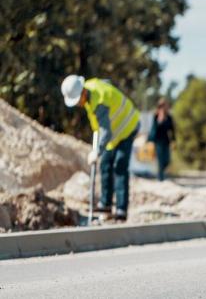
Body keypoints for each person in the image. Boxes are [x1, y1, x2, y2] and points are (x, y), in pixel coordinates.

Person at [61, 75, 140, 221]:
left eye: (77, 100)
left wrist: (97, 150)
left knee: (119, 165)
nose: (78, 104)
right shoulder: (90, 90)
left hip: (127, 127)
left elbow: (106, 131)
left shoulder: (99, 102)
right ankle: (106, 205)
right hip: (114, 135)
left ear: (83, 93)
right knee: (105, 164)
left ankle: (121, 210)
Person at [148, 97, 175, 181]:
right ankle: (160, 178)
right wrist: (160, 121)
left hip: (166, 141)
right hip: (158, 141)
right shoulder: (156, 116)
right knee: (160, 160)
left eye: (165, 105)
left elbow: (172, 129)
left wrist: (174, 140)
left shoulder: (169, 117)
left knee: (167, 160)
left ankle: (162, 175)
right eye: (162, 106)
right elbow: (154, 129)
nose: (164, 107)